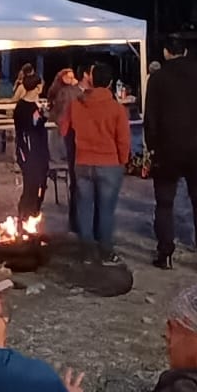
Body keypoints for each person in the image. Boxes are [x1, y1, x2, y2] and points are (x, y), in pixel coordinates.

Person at [143, 36, 197, 269]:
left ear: (166, 52)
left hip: (166, 149)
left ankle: (165, 253)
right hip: (195, 148)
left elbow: (151, 117)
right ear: (185, 51)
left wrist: (152, 145)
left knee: (165, 203)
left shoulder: (158, 79)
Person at [63, 60, 131, 266]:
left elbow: (64, 129)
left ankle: (86, 252)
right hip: (109, 163)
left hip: (82, 161)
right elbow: (123, 140)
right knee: (105, 210)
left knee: (84, 208)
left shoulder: (76, 104)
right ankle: (105, 252)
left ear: (91, 80)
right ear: (110, 83)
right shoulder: (117, 109)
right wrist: (123, 161)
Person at [46, 67, 84, 235]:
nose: (71, 79)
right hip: (66, 133)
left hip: (65, 132)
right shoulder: (68, 92)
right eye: (68, 76)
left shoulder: (67, 91)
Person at [12, 71, 50, 218]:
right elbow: (29, 128)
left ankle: (31, 215)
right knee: (31, 187)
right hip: (29, 153)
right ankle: (24, 217)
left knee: (40, 185)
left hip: (38, 152)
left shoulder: (32, 106)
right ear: (38, 88)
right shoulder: (24, 108)